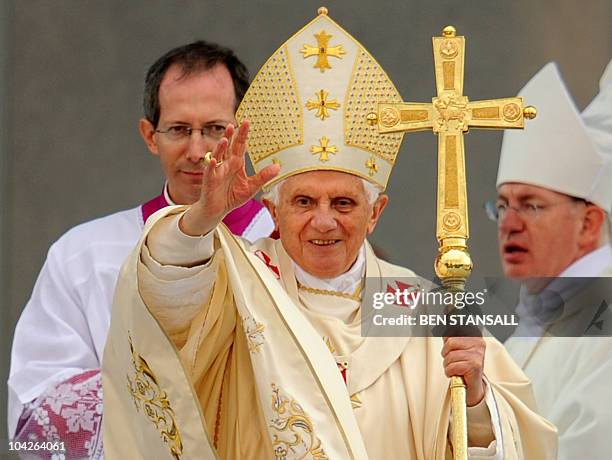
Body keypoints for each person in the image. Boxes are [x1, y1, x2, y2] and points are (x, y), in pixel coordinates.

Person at [103, 10, 557, 459]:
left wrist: (476, 395)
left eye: (343, 203)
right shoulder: (236, 287)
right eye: (303, 203)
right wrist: (201, 218)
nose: (324, 222)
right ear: (272, 210)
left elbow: (506, 441)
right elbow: (162, 298)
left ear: (375, 213)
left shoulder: (420, 310)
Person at [7, 41, 275, 458]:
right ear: (150, 135)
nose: (198, 150)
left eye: (215, 129)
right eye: (179, 129)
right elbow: (30, 421)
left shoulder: (292, 243)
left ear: (244, 131)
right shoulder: (84, 255)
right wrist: (167, 394)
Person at [493, 60, 612, 459]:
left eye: (531, 206)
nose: (509, 224)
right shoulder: (533, 326)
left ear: (588, 223)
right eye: (502, 205)